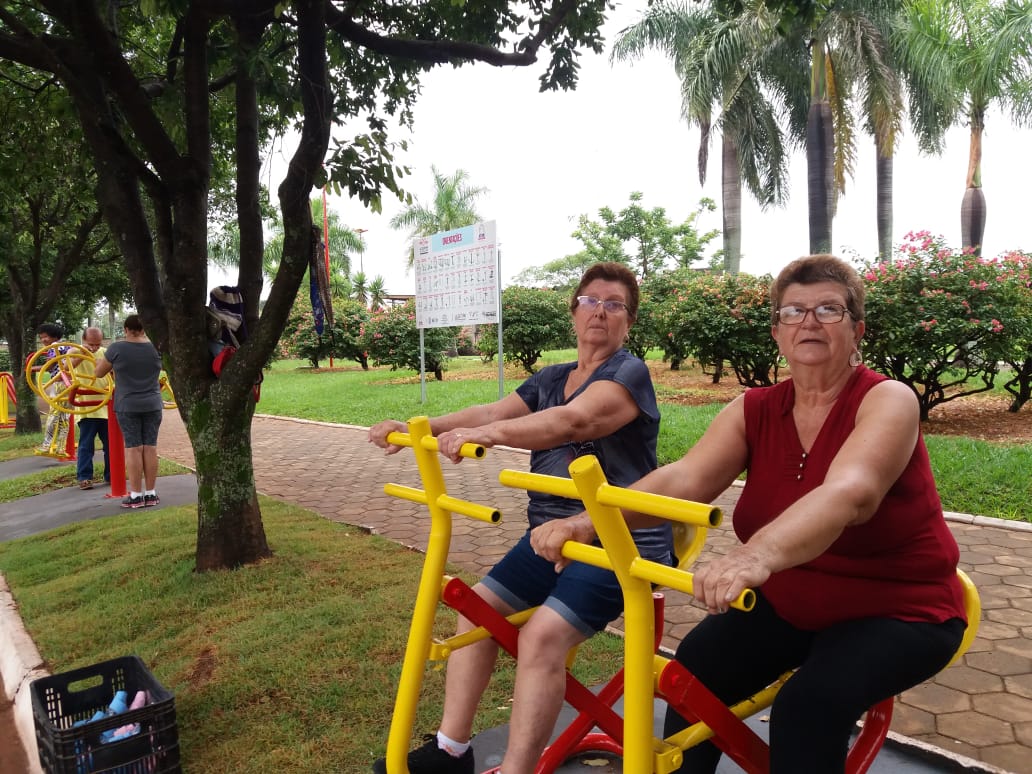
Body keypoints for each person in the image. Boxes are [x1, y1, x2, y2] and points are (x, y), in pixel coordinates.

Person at [531, 254, 967, 773]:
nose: (809, 322)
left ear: (857, 331)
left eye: (829, 310)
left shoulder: (888, 399)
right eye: (793, 311)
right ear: (777, 333)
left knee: (807, 706)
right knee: (693, 676)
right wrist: (589, 523)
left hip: (898, 608)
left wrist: (754, 556)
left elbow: (851, 492)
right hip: (792, 601)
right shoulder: (754, 408)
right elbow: (685, 479)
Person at [368, 262, 669, 774]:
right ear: (574, 312)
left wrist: (490, 436)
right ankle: (451, 750)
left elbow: (574, 421)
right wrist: (423, 426)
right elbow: (492, 412)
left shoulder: (627, 374)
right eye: (590, 300)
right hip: (548, 536)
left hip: (620, 539)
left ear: (629, 321)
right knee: (477, 610)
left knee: (541, 637)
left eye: (614, 304)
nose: (600, 311)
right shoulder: (551, 377)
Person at [94, 314, 164, 509]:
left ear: (126, 329)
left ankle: (135, 495)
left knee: (134, 448)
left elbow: (99, 372)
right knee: (150, 447)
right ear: (144, 329)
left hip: (127, 405)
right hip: (153, 403)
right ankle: (151, 494)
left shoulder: (116, 348)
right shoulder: (156, 348)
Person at [73, 327, 112, 490]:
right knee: (86, 445)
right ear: (83, 340)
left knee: (110, 445)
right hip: (86, 407)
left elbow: (114, 372)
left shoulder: (106, 353)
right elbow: (67, 366)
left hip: (106, 406)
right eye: (91, 344)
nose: (94, 348)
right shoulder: (75, 351)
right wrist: (83, 353)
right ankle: (84, 477)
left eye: (98, 344)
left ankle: (111, 475)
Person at [33, 323, 71, 457]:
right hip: (70, 384)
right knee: (64, 417)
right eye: (41, 337)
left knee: (53, 414)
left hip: (59, 382)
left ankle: (46, 445)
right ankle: (61, 448)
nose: (43, 340)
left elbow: (49, 365)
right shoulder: (66, 346)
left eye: (46, 337)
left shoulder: (54, 347)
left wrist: (32, 368)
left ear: (54, 336)